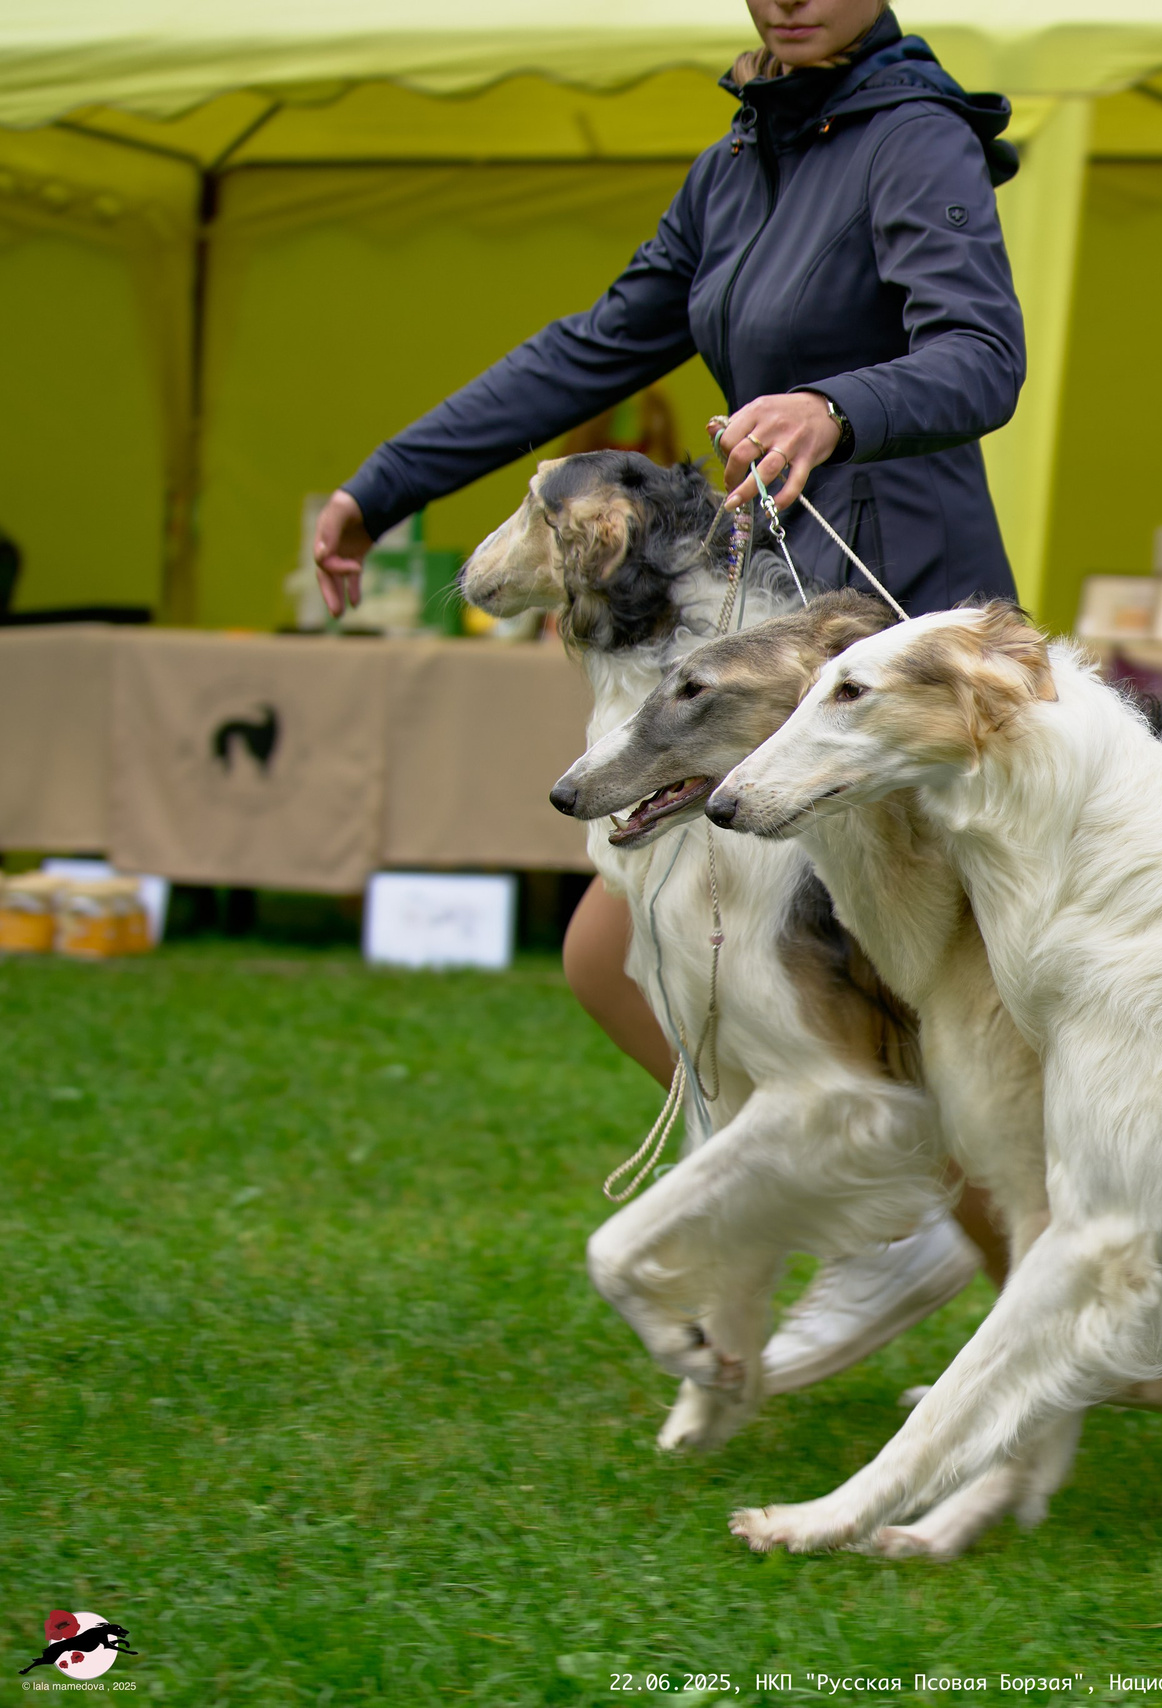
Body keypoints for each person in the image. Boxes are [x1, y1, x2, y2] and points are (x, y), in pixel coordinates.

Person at [309, 0, 1025, 1376]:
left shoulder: (915, 139)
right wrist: (381, 485)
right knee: (620, 958)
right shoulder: (737, 159)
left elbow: (983, 356)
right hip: (771, 640)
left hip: (893, 644)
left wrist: (838, 405)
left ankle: (967, 1265)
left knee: (933, 1003)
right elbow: (595, 345)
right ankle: (897, 1239)